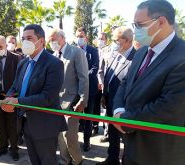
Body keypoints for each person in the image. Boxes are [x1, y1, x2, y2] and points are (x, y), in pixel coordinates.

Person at [113, 1, 185, 165]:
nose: (136, 30)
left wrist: (126, 121)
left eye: (139, 25)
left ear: (161, 22)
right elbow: (125, 83)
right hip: (131, 148)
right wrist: (118, 110)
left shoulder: (182, 56)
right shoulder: (142, 51)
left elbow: (168, 107)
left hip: (159, 153)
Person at [1, 24, 67, 165]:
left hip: (45, 126)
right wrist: (8, 99)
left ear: (41, 41)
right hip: (26, 123)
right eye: (23, 38)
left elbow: (47, 97)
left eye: (29, 38)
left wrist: (17, 101)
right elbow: (15, 86)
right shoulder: (23, 63)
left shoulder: (54, 64)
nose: (25, 42)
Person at [49, 29, 89, 165]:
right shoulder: (54, 55)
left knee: (70, 136)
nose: (51, 43)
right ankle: (64, 160)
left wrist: (82, 100)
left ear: (62, 38)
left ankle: (77, 161)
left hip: (72, 101)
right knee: (60, 135)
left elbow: (83, 77)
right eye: (50, 40)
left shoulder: (76, 52)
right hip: (56, 102)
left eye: (53, 39)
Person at [97, 27, 136, 165]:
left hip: (123, 107)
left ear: (126, 41)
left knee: (125, 137)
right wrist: (104, 95)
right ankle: (112, 159)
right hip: (109, 101)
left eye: (116, 40)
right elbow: (108, 77)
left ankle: (125, 160)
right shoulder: (115, 54)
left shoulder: (135, 59)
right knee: (112, 133)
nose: (113, 43)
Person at [0, 35, 20, 161]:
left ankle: (14, 149)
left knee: (12, 125)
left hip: (11, 97)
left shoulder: (16, 58)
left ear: (6, 46)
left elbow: (18, 78)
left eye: (0, 46)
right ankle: (2, 148)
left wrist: (13, 95)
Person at [75, 27, 99, 152]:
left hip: (90, 89)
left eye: (81, 36)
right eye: (78, 36)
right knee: (76, 115)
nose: (79, 39)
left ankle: (87, 141)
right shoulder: (73, 51)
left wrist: (82, 76)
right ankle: (74, 140)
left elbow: (95, 68)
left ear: (86, 38)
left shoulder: (93, 51)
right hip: (76, 90)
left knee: (88, 115)